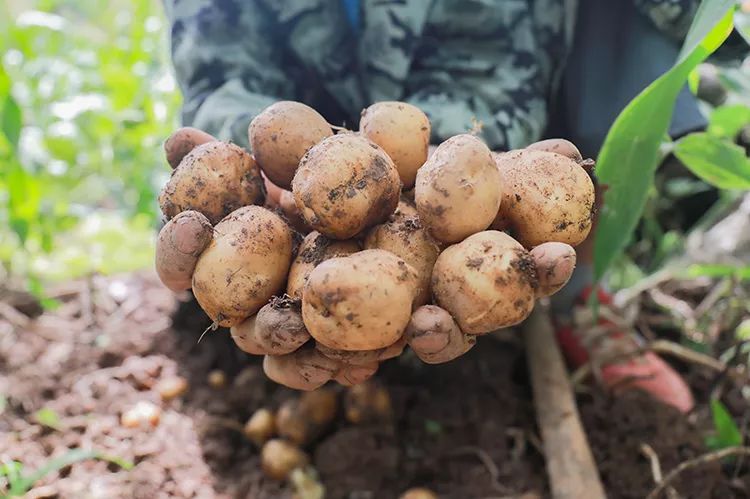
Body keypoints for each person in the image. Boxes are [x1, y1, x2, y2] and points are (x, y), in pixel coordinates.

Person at [162, 0, 699, 411]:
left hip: (497, 89)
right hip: (316, 154)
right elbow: (221, 59)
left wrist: (451, 166)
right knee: (236, 238)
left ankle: (580, 301)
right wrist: (242, 160)